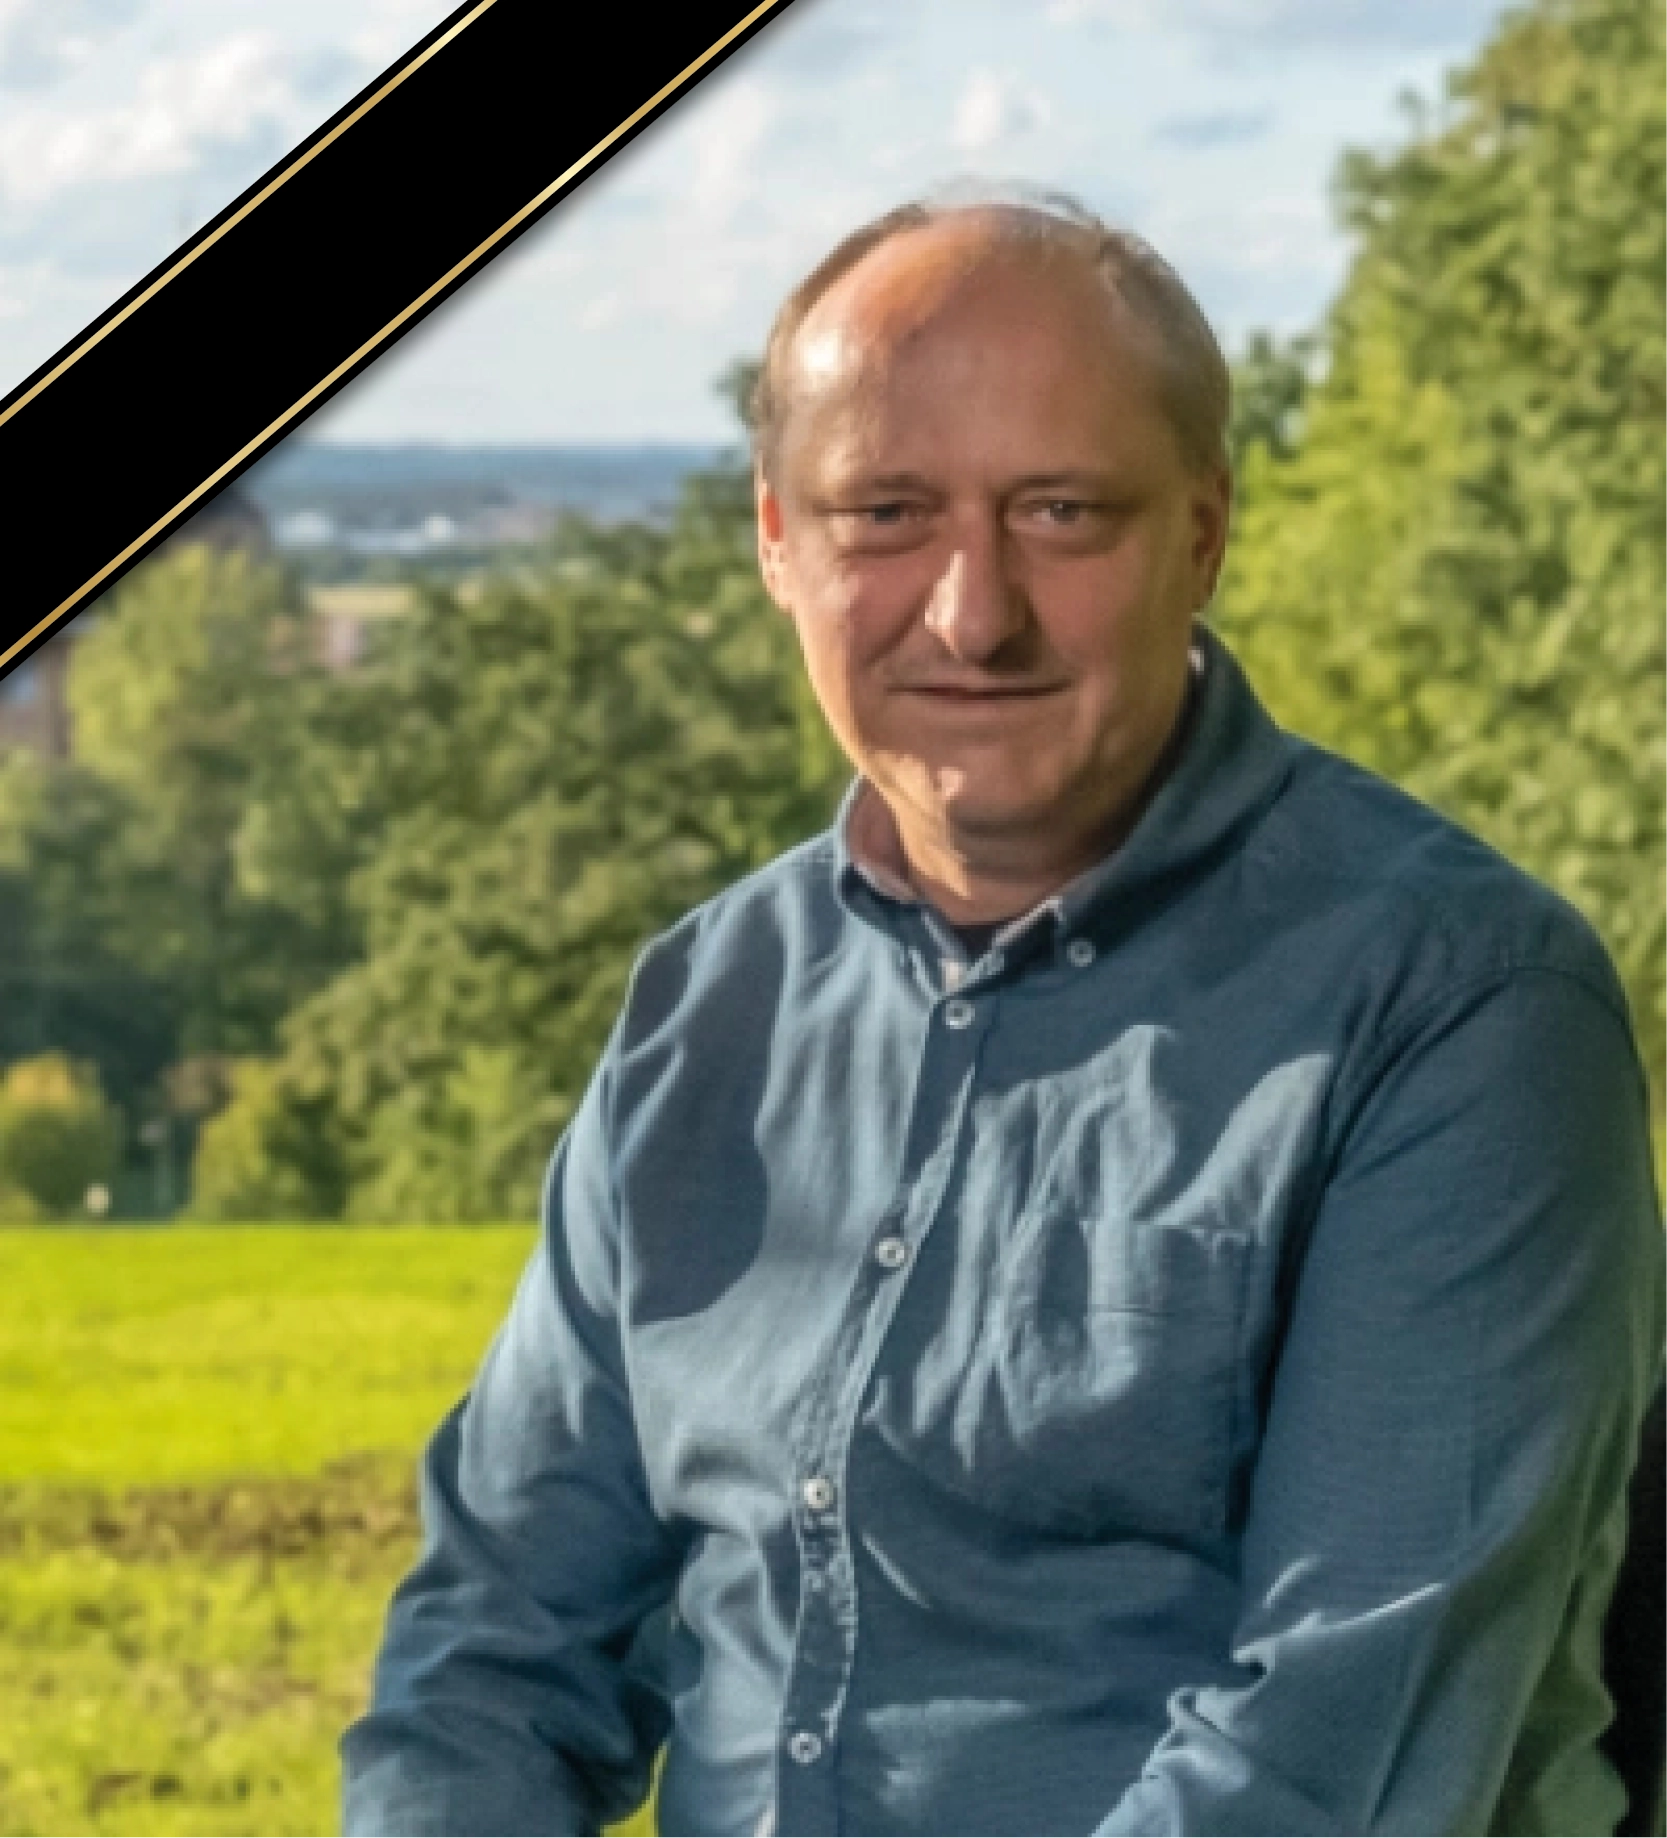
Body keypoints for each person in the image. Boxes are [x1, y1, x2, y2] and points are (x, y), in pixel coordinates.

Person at [341, 192, 1664, 1838]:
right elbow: (494, 1648)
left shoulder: (1459, 1006)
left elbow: (1334, 1757)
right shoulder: (705, 1007)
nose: (973, 610)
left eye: (1059, 511)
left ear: (1203, 528)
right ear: (773, 539)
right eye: (883, 512)